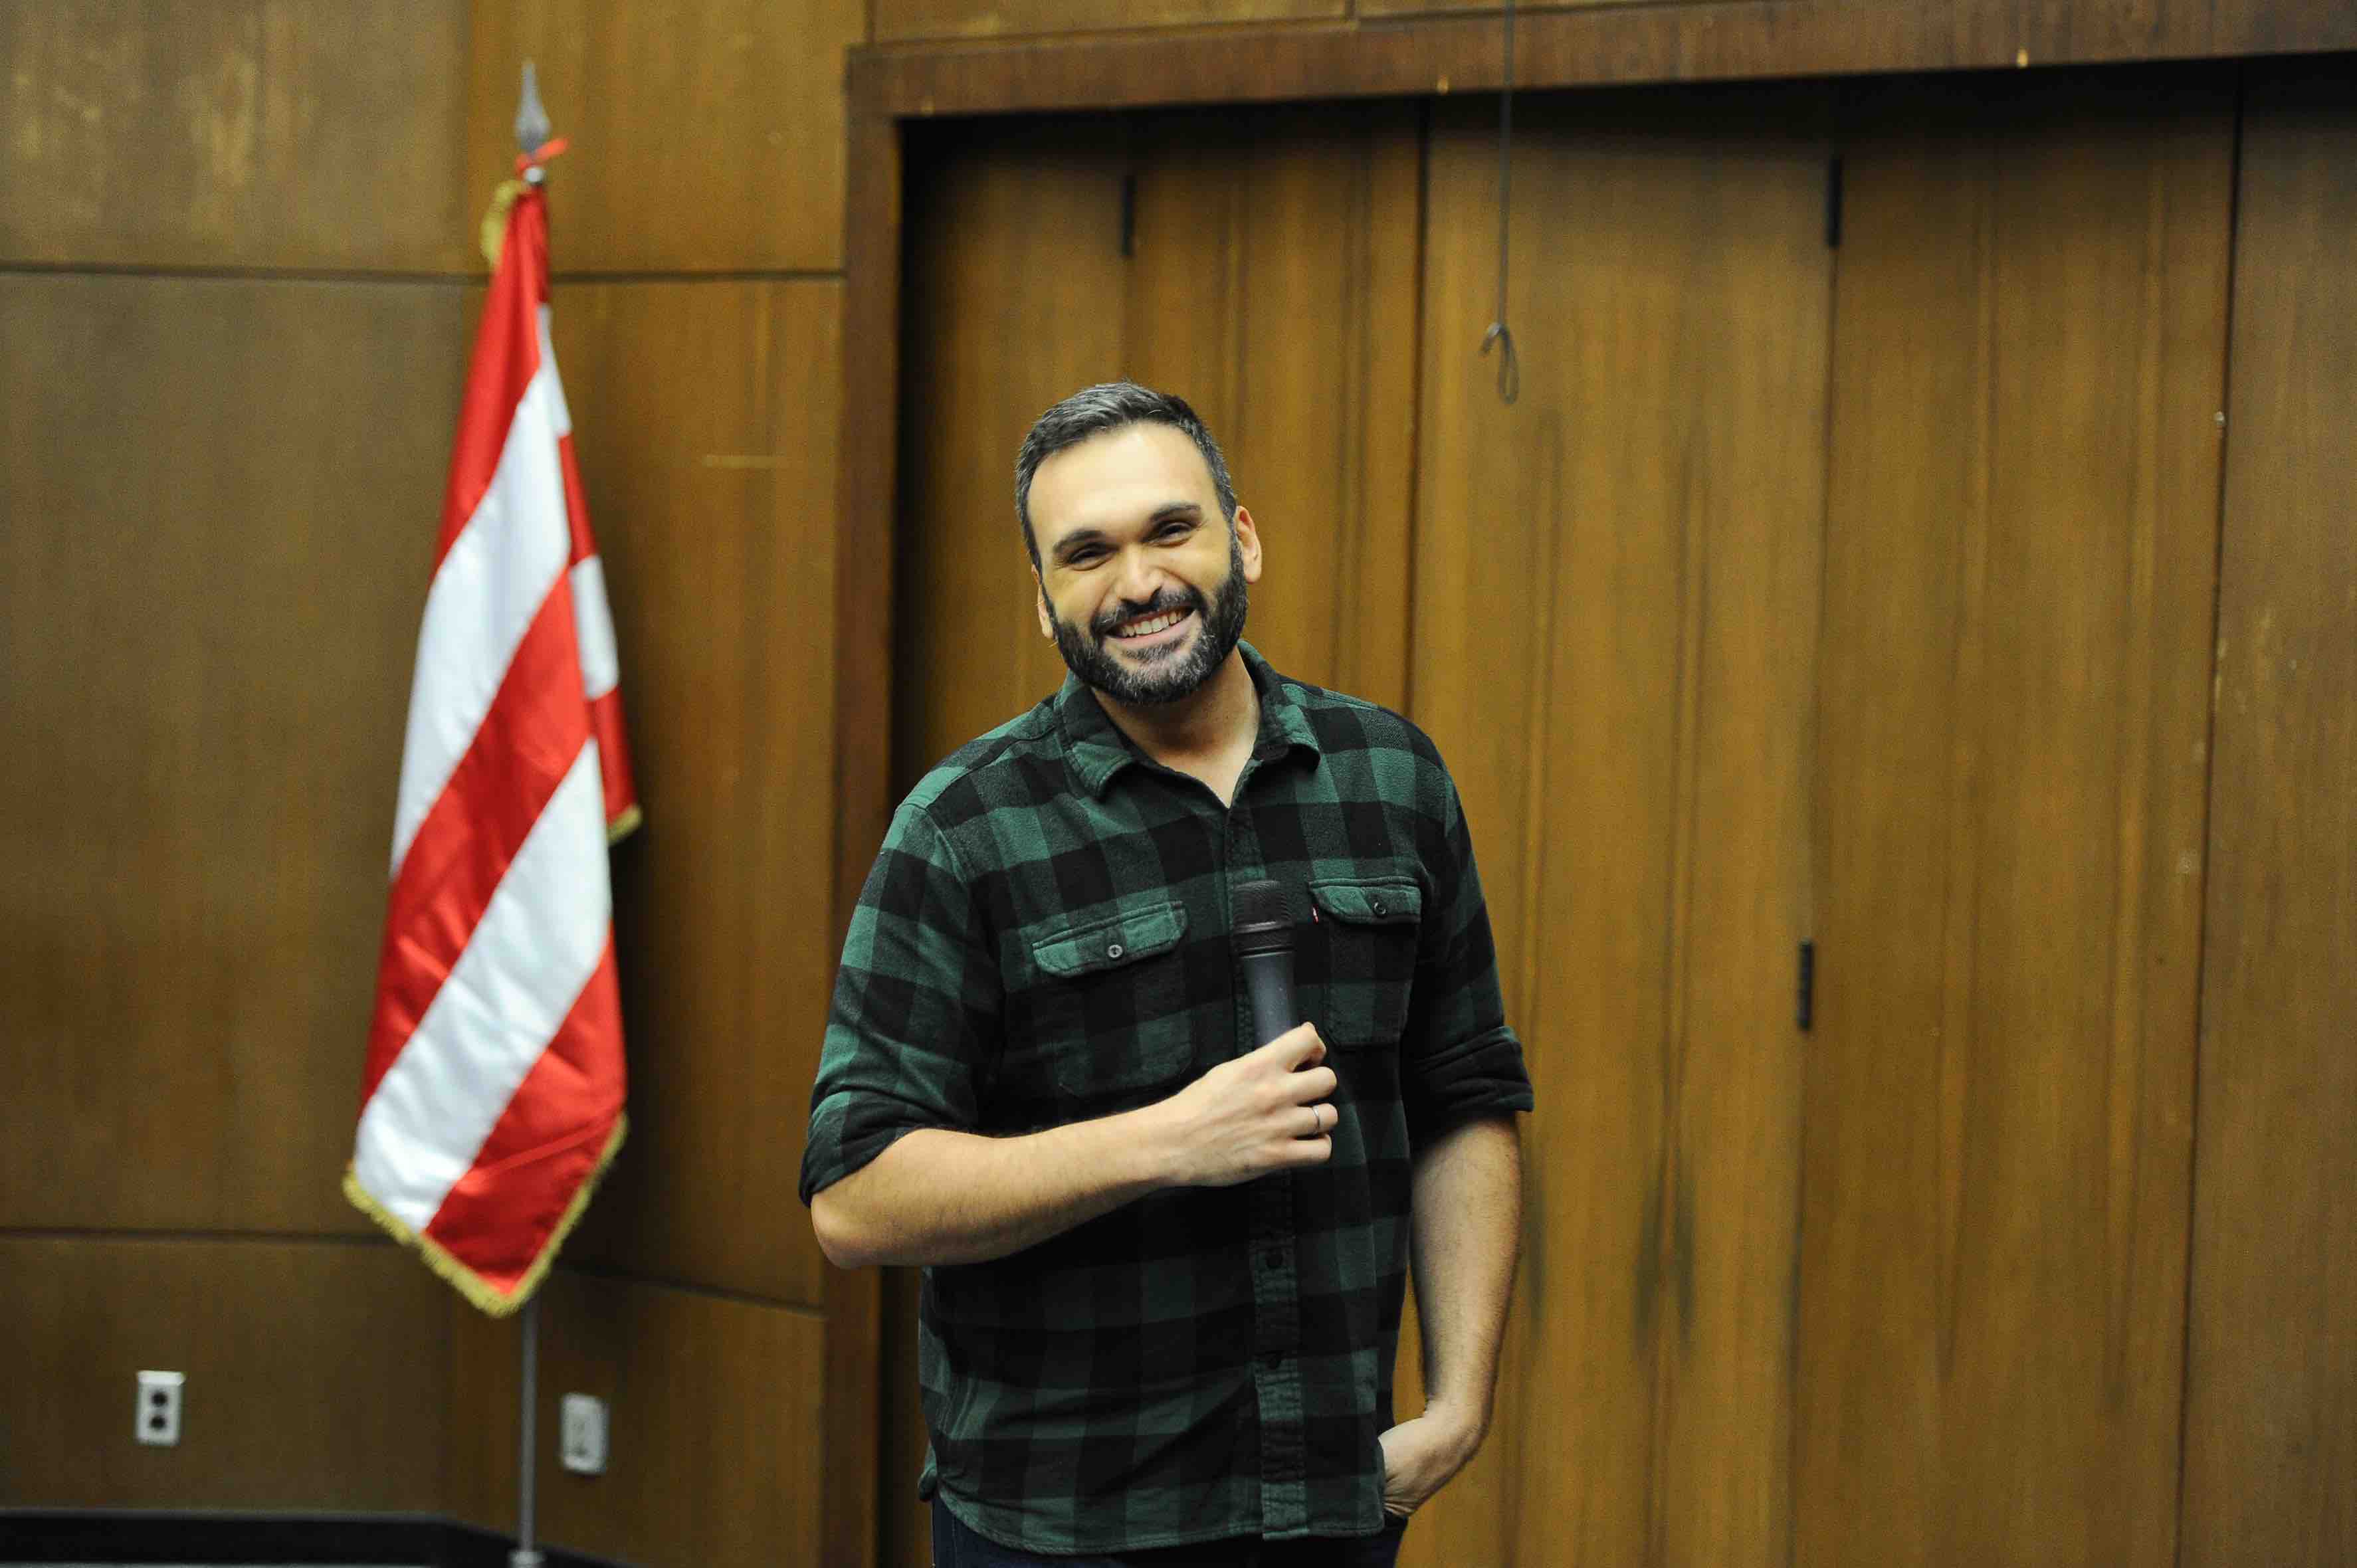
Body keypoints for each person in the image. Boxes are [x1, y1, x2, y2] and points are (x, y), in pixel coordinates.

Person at [800, 382, 1532, 1567]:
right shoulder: (964, 830)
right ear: (1044, 600)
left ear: (1242, 538)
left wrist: (1458, 1407)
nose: (1137, 582)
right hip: (1061, 1526)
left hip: (1333, 1506)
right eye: (1087, 554)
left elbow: (1465, 1097)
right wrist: (1167, 1144)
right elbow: (853, 1195)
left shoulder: (1391, 778)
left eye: (1170, 530)